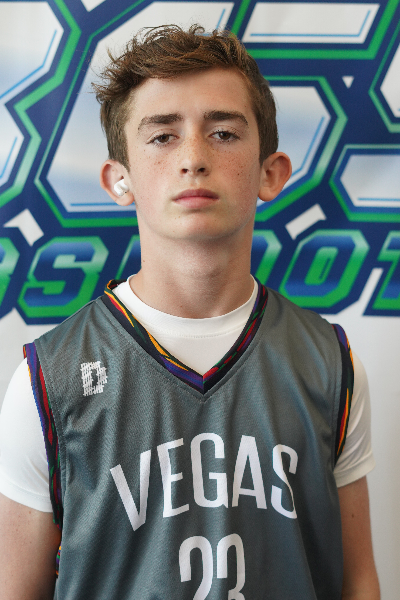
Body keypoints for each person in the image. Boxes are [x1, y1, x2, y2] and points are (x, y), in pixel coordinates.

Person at [0, 25, 379, 599]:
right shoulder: (47, 380)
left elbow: (358, 582)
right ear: (119, 179)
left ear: (271, 173)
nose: (194, 158)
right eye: (162, 136)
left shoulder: (331, 363)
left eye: (223, 133)